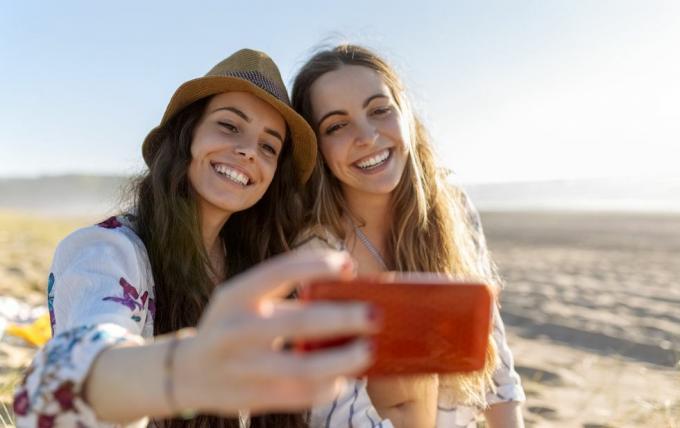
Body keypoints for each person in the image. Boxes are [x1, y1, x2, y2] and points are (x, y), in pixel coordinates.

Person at [13, 49, 380, 428]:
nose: (248, 151)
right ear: (187, 135)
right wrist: (183, 370)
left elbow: (337, 407)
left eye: (269, 146)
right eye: (229, 126)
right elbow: (80, 369)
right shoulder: (108, 250)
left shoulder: (264, 271)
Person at [291, 44, 526, 428]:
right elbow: (335, 412)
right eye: (337, 125)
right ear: (317, 148)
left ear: (405, 115)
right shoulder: (316, 252)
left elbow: (497, 370)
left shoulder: (451, 210)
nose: (367, 135)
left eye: (379, 110)